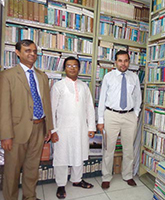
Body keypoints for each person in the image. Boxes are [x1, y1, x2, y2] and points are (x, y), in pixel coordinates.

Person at [0, 39, 53, 200]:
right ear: (17, 53)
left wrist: (48, 127)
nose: (32, 54)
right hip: (17, 131)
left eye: (34, 51)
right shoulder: (7, 75)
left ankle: (30, 196)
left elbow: (46, 103)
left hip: (39, 128)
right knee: (12, 170)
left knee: (32, 167)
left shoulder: (42, 76)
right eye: (27, 51)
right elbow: (3, 107)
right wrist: (6, 135)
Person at [50, 57, 96, 198]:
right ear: (64, 68)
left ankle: (77, 180)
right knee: (61, 156)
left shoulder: (84, 86)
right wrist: (53, 131)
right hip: (62, 129)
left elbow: (89, 108)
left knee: (79, 154)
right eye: (69, 65)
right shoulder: (58, 86)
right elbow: (52, 109)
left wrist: (91, 127)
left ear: (79, 68)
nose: (72, 68)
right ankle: (61, 184)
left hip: (81, 128)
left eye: (75, 65)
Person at [97, 50, 142, 189]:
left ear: (129, 61)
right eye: (120, 61)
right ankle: (106, 177)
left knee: (128, 148)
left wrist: (135, 114)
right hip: (111, 115)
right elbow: (102, 99)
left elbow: (137, 98)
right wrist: (100, 120)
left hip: (129, 116)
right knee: (108, 148)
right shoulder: (108, 77)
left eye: (126, 60)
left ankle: (127, 175)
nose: (123, 64)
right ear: (115, 62)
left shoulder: (134, 77)